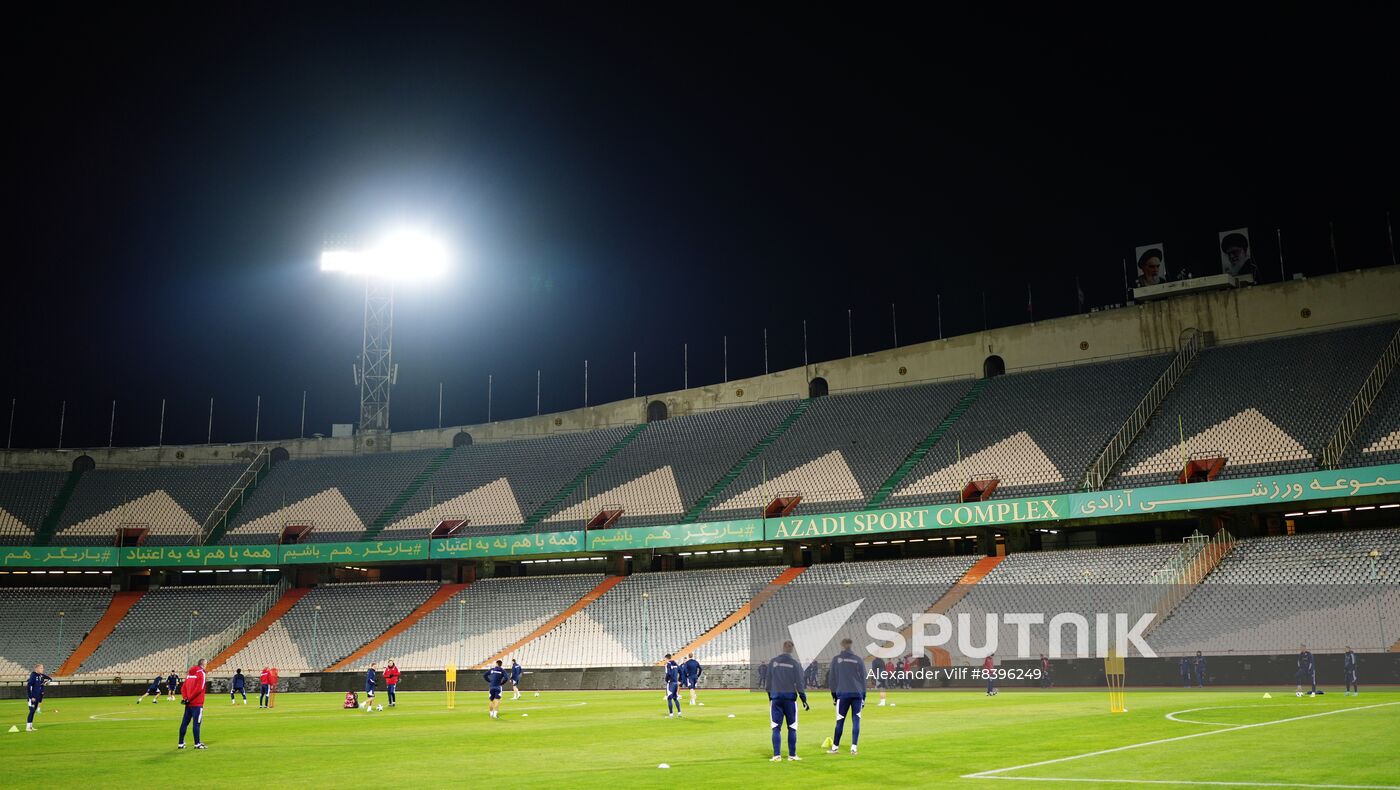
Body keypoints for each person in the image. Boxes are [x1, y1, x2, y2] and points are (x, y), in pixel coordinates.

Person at [765, 641, 809, 761]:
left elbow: (767, 683)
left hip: (776, 699)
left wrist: (771, 697)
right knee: (792, 727)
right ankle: (792, 755)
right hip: (790, 699)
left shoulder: (773, 662)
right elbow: (800, 683)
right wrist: (803, 699)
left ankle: (777, 755)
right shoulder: (795, 664)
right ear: (792, 650)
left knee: (775, 727)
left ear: (783, 648)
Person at [826, 639, 865, 755]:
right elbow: (863, 679)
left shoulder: (836, 659)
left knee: (840, 721)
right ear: (851, 646)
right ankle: (854, 748)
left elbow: (832, 679)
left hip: (843, 694)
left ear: (842, 645)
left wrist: (834, 695)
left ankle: (835, 748)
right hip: (857, 694)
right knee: (856, 720)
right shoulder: (858, 660)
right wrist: (864, 697)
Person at [178, 659, 208, 750]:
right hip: (197, 703)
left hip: (188, 703)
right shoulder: (201, 673)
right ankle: (197, 743)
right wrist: (190, 698)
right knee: (197, 723)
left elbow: (183, 688)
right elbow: (200, 688)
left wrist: (185, 698)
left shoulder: (190, 674)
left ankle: (181, 743)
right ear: (203, 664)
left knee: (184, 723)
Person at [25, 663, 55, 732]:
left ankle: (30, 727)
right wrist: (31, 697)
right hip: (32, 698)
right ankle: (28, 727)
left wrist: (47, 682)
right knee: (32, 711)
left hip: (37, 697)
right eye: (41, 668)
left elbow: (49, 678)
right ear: (37, 669)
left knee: (33, 712)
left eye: (42, 668)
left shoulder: (40, 676)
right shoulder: (33, 675)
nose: (42, 669)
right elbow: (28, 686)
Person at [663, 654, 682, 718]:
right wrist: (679, 680)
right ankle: (679, 713)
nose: (664, 660)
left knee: (669, 698)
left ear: (667, 658)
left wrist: (666, 679)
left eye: (665, 659)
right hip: (676, 683)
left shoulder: (668, 664)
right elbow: (681, 671)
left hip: (671, 683)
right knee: (675, 698)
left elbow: (669, 673)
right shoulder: (675, 663)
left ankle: (671, 714)